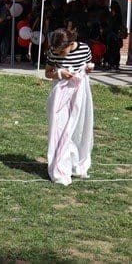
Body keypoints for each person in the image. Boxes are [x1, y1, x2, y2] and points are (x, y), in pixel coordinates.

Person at [44, 28, 94, 186]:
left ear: (70, 44)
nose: (59, 53)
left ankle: (75, 162)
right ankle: (59, 164)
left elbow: (88, 65)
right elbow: (47, 72)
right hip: (61, 92)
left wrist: (88, 68)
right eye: (57, 51)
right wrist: (59, 74)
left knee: (77, 127)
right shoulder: (53, 52)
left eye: (62, 51)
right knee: (60, 127)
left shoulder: (84, 48)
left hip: (80, 92)